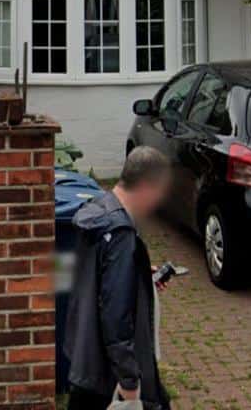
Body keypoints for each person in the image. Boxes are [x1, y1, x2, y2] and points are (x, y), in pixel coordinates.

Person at [65, 146, 172, 410]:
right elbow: (115, 312)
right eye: (160, 191)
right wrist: (128, 378)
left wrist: (134, 272)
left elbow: (91, 277)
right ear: (147, 185)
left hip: (84, 357)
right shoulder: (120, 233)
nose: (159, 200)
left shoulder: (97, 212)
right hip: (108, 372)